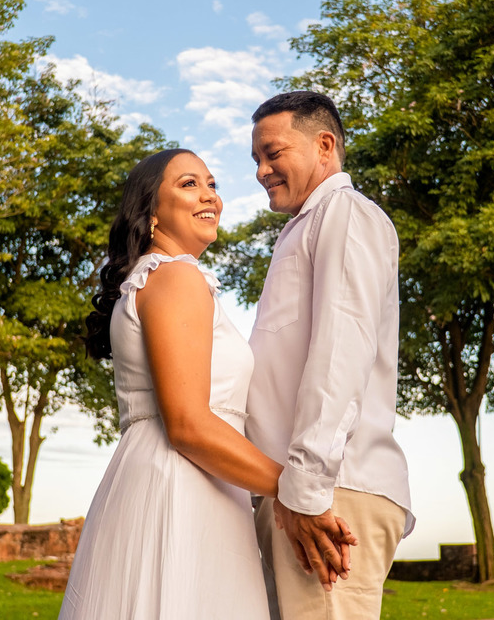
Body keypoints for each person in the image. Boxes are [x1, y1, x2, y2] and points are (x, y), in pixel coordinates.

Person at [58, 148, 353, 620]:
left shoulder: (155, 279)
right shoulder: (175, 277)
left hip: (183, 481)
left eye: (212, 184)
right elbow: (189, 424)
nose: (210, 195)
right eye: (189, 184)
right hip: (181, 488)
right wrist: (296, 491)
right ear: (152, 212)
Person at [248, 91, 414, 620]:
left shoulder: (346, 214)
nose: (261, 170)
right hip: (301, 492)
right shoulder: (305, 228)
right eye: (256, 159)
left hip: (327, 491)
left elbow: (341, 352)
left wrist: (306, 491)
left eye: (272, 153)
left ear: (325, 145)